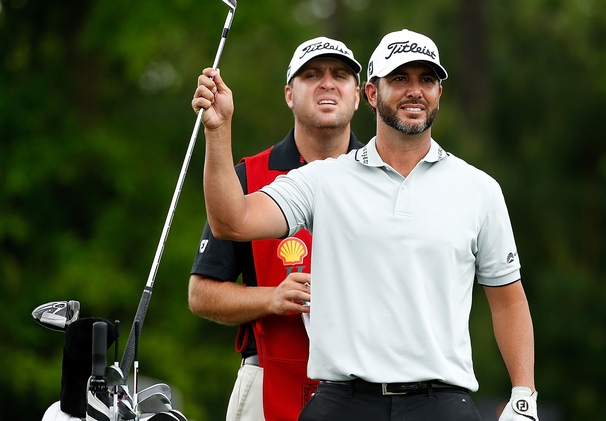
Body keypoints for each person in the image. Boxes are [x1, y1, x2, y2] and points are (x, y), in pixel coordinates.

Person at [196, 29, 538, 421]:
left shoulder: (479, 189)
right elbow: (231, 221)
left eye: (427, 79)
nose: (415, 91)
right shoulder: (324, 179)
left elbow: (508, 300)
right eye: (399, 79)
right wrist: (218, 131)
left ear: (439, 93)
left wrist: (523, 395)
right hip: (343, 400)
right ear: (373, 95)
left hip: (442, 403)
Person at [188, 37, 364, 421]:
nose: (327, 83)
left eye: (340, 75)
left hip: (367, 384)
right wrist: (270, 299)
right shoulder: (246, 178)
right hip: (268, 376)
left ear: (358, 96)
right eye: (312, 74)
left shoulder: (386, 179)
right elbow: (201, 294)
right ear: (289, 94)